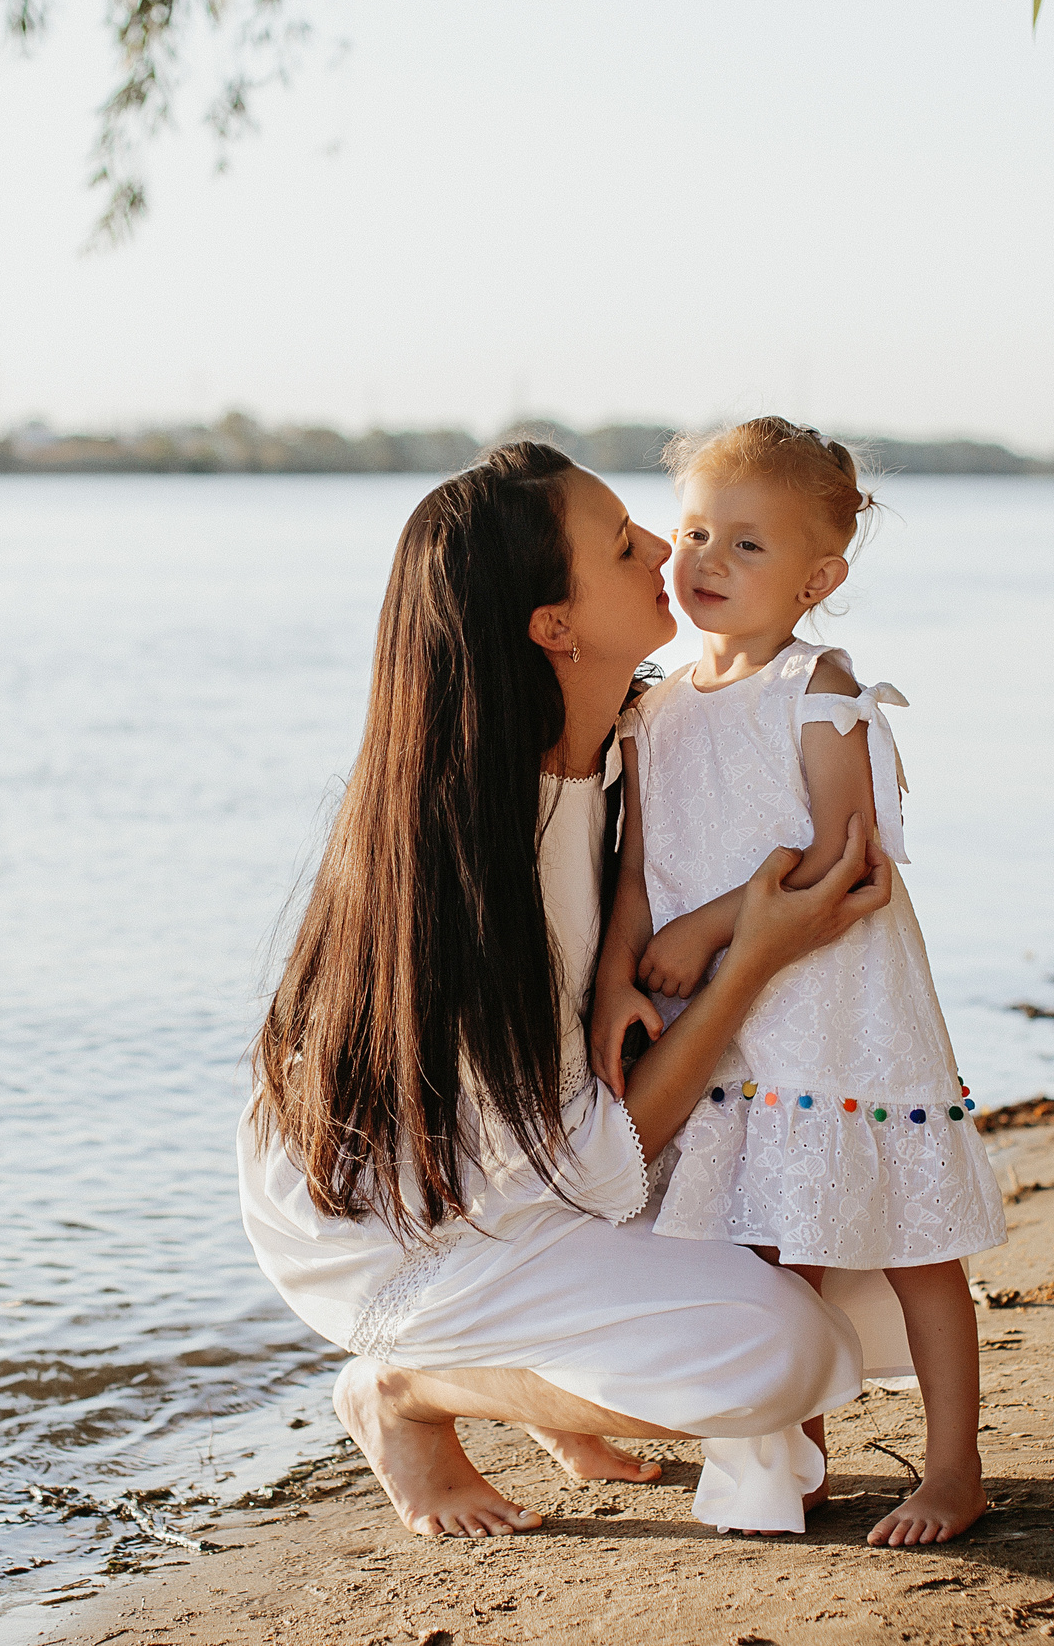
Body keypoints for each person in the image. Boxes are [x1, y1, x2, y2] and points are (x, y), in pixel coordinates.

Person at [239, 440, 895, 1538]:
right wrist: (758, 957)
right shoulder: (486, 851)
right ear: (555, 625)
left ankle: (550, 1355)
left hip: (537, 1159)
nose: (666, 548)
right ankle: (409, 1387)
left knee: (854, 1264)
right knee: (792, 1353)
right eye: (622, 543)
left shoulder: (638, 733)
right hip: (405, 1223)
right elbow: (590, 1162)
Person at [593, 416, 1008, 1548]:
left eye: (746, 545)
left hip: (836, 1003)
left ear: (819, 577)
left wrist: (710, 926)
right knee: (773, 1233)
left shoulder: (816, 686)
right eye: (691, 533)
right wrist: (621, 978)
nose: (704, 562)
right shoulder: (653, 705)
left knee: (917, 1241)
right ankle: (798, 1443)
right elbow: (636, 869)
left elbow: (845, 849)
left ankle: (954, 1465)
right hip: (718, 1016)